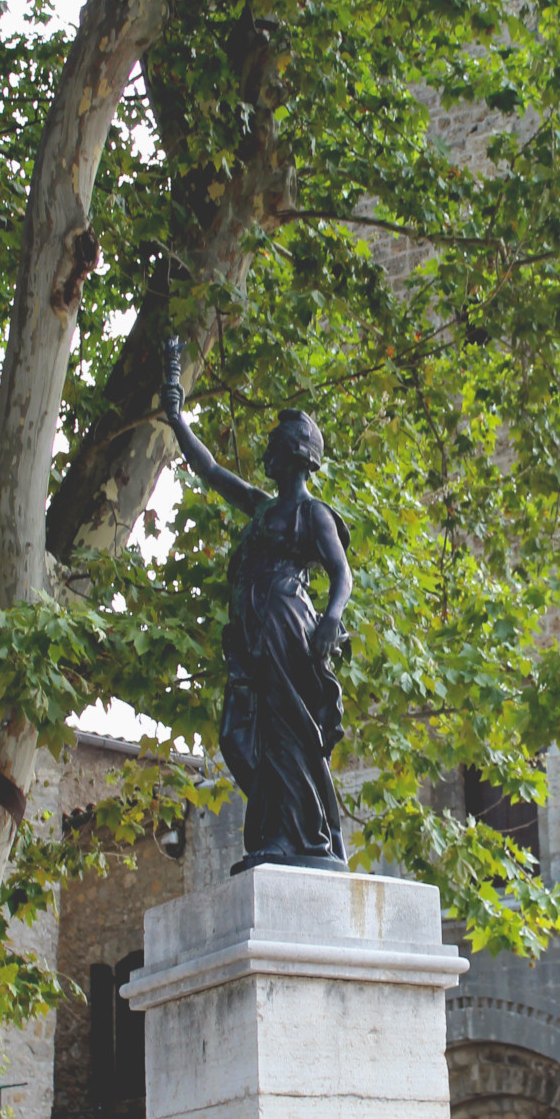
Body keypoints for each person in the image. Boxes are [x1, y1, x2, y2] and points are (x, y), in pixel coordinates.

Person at [160, 341, 352, 870]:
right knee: (240, 734)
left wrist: (331, 620)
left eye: (272, 444)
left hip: (288, 627)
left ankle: (293, 836)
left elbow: (342, 574)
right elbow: (210, 470)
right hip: (251, 635)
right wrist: (177, 421)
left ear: (292, 453)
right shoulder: (263, 507)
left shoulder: (313, 514)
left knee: (287, 733)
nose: (265, 452)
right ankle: (283, 829)